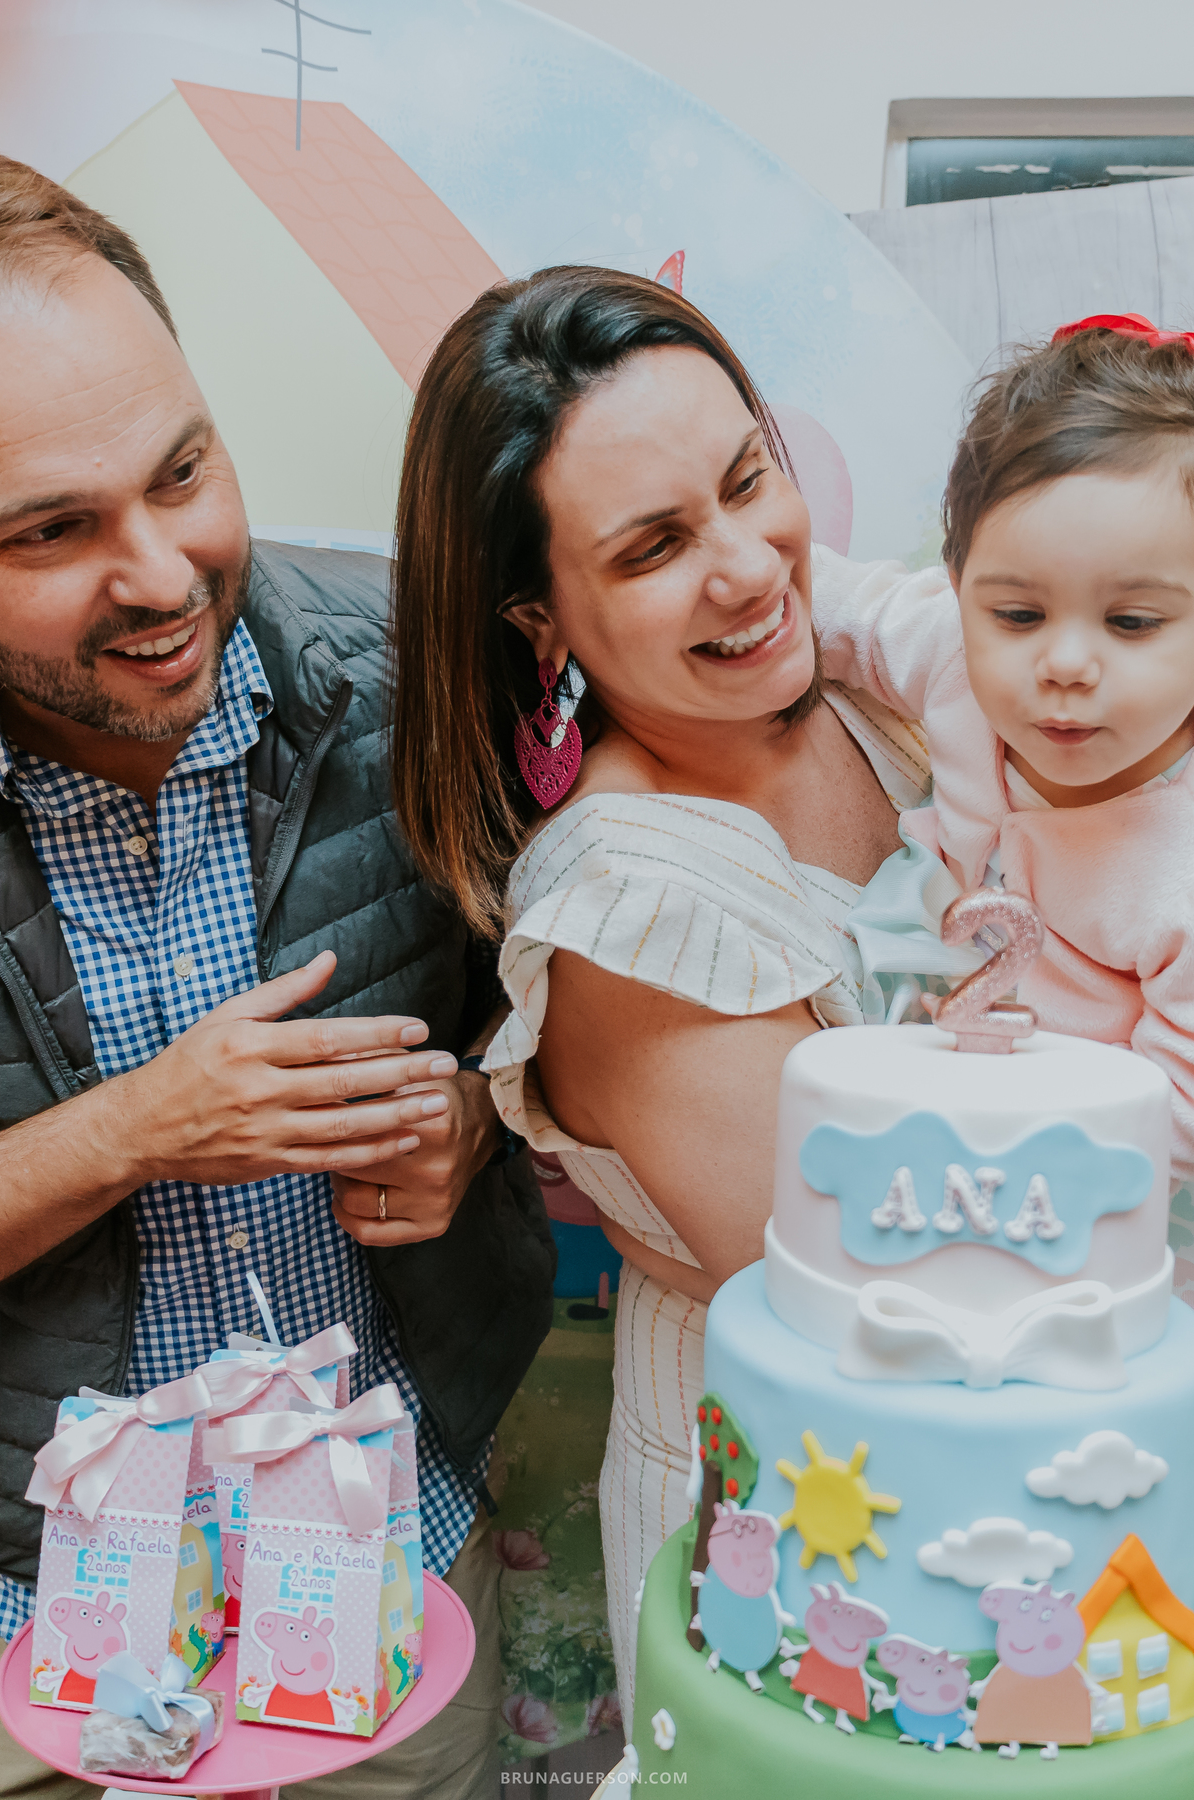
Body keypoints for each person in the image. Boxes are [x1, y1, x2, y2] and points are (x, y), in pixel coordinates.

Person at [0, 156, 553, 1800]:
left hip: (391, 1585)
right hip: (32, 1637)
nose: (163, 573)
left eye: (184, 471)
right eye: (50, 532)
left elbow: (568, 1048)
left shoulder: (412, 667)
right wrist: (134, 1132)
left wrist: (477, 1128)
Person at [379, 265, 931, 1723]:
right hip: (801, 1523)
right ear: (541, 621)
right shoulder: (631, 906)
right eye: (654, 548)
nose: (749, 565)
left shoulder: (863, 686)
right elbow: (874, 1301)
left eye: (752, 478)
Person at [813, 313, 1194, 1189]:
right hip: (905, 1006)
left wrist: (1009, 1176)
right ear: (959, 586)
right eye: (1017, 615)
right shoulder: (951, 648)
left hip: (1069, 1161)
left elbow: (1175, 1116)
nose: (1062, 664)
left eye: (1132, 622)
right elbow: (838, 606)